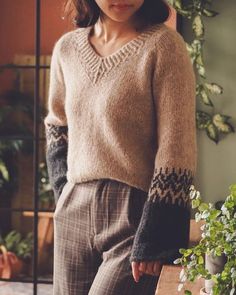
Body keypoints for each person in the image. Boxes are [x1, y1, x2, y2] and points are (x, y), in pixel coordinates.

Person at [43, 0, 197, 294]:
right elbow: (57, 124)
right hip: (74, 203)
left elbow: (176, 145)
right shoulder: (67, 49)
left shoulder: (164, 46)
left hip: (135, 212)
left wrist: (157, 233)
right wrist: (64, 190)